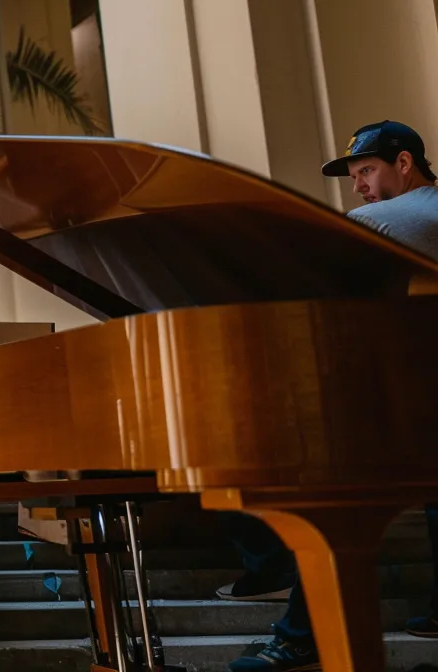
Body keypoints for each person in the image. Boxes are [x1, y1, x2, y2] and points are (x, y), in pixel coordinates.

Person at [226, 120, 438, 672]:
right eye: (354, 176)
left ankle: (302, 637)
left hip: (394, 390)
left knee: (332, 507)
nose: (359, 186)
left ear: (405, 163)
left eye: (367, 170)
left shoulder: (381, 220)